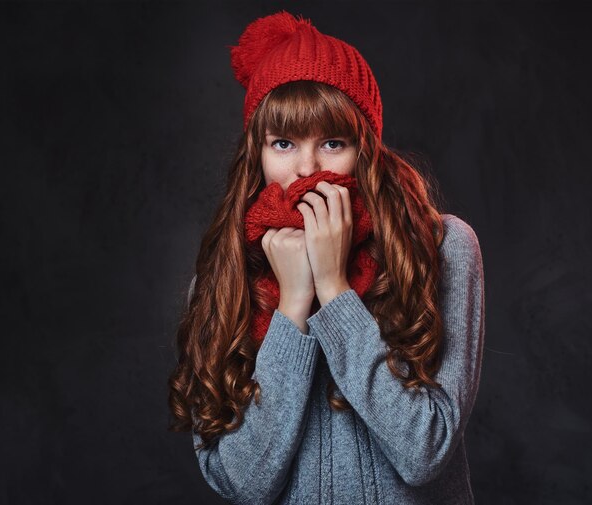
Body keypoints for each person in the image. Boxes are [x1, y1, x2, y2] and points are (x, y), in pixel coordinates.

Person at [168, 10, 485, 505]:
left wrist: (334, 291)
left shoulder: (442, 249)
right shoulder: (221, 280)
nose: (306, 168)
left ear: (366, 150)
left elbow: (425, 450)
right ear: (258, 154)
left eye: (333, 142)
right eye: (284, 143)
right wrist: (293, 306)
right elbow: (243, 484)